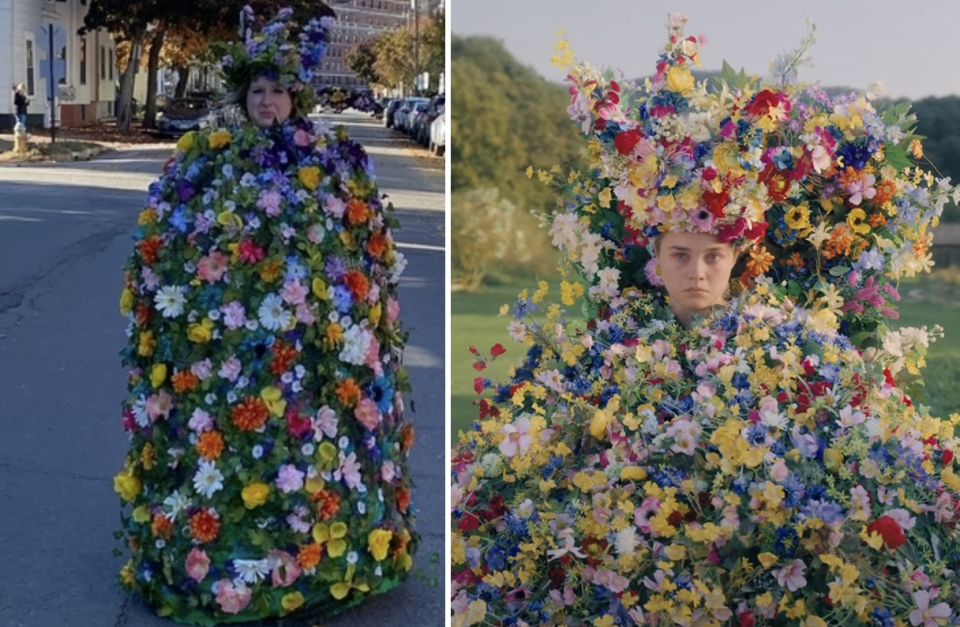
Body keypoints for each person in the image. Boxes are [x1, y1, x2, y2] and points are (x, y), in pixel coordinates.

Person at [451, 13, 960, 627]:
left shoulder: (787, 340)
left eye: (713, 256)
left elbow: (865, 422)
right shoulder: (610, 349)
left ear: (735, 262)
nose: (697, 271)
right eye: (681, 255)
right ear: (656, 262)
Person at [114, 8, 417, 623]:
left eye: (279, 90)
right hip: (227, 340)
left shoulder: (330, 160)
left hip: (305, 342)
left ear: (295, 97)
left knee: (302, 434)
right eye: (259, 90)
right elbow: (173, 238)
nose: (269, 101)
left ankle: (315, 547)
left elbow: (358, 241)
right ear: (243, 95)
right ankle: (221, 547)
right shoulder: (208, 155)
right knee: (231, 436)